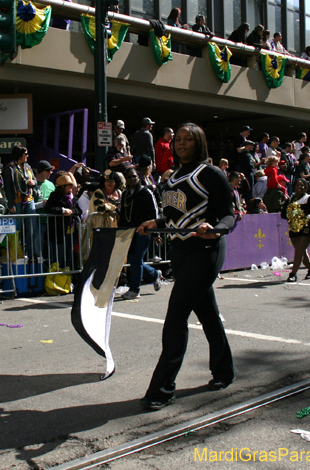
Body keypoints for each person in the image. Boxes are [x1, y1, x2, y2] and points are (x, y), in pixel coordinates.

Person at [136, 123, 236, 410]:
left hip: (206, 250)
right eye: (177, 139)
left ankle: (162, 388)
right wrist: (154, 224)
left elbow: (229, 216)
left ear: (199, 143)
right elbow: (174, 217)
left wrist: (215, 229)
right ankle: (224, 371)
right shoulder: (174, 176)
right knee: (207, 314)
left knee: (176, 315)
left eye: (187, 140)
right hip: (181, 251)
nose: (180, 143)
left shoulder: (211, 173)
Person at [119, 166, 162, 300]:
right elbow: (123, 213)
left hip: (143, 231)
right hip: (128, 232)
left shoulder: (146, 192)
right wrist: (120, 230)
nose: (132, 179)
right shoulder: (125, 194)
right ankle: (154, 274)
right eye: (129, 177)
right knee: (133, 260)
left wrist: (155, 233)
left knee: (136, 259)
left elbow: (154, 213)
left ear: (139, 178)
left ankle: (134, 290)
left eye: (134, 177)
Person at [2, 145, 40, 261]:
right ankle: (17, 253)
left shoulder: (28, 167)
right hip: (16, 201)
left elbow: (35, 181)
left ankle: (32, 252)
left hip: (29, 199)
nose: (27, 156)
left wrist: (33, 183)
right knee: (17, 228)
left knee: (31, 227)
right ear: (19, 155)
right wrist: (11, 204)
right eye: (25, 154)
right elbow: (8, 187)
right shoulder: (10, 168)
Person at [282, 178, 310, 281]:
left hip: (307, 227)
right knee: (301, 251)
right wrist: (292, 216)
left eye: (302, 185)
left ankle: (293, 274)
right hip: (294, 227)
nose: (299, 187)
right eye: (297, 185)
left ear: (306, 187)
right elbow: (283, 214)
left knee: (299, 251)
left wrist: (301, 211)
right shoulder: (290, 200)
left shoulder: (309, 198)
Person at [42, 172, 81, 269]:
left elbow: (78, 210)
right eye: (69, 186)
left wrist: (71, 211)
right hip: (58, 232)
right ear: (63, 186)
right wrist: (62, 210)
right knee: (58, 257)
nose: (71, 188)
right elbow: (48, 209)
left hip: (71, 232)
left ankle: (67, 278)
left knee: (69, 256)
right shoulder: (54, 196)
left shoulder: (72, 197)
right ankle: (56, 277)